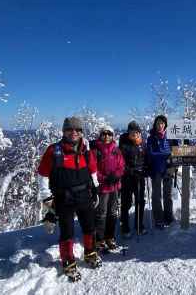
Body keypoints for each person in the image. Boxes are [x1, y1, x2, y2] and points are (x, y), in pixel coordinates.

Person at [37, 117, 102, 280]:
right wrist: (46, 196)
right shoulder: (54, 151)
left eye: (78, 130)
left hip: (85, 195)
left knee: (89, 227)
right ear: (64, 131)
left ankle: (90, 253)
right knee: (67, 232)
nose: (74, 133)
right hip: (63, 198)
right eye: (70, 129)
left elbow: (93, 171)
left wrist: (95, 189)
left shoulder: (86, 151)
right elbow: (43, 174)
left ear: (81, 132)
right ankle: (68, 261)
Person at [90, 125, 124, 251]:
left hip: (114, 186)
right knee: (101, 213)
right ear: (100, 135)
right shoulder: (95, 150)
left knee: (113, 213)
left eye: (109, 134)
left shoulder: (116, 149)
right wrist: (104, 178)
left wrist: (116, 175)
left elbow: (121, 165)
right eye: (104, 134)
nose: (106, 136)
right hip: (103, 187)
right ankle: (100, 239)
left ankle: (110, 237)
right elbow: (93, 169)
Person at [146, 115, 177, 228]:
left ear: (165, 125)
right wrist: (166, 155)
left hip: (168, 169)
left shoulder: (171, 137)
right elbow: (151, 154)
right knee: (156, 195)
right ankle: (158, 218)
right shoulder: (151, 138)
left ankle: (169, 216)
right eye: (158, 123)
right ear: (155, 124)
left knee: (168, 195)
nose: (160, 125)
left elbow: (176, 152)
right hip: (156, 169)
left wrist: (173, 163)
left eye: (162, 123)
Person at [119, 121, 148, 237]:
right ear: (128, 132)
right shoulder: (124, 144)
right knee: (126, 202)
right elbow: (120, 163)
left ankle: (139, 225)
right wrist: (130, 171)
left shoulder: (142, 144)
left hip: (140, 177)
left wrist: (146, 168)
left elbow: (145, 159)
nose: (134, 134)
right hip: (127, 178)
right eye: (132, 132)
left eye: (136, 132)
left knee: (140, 201)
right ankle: (125, 227)